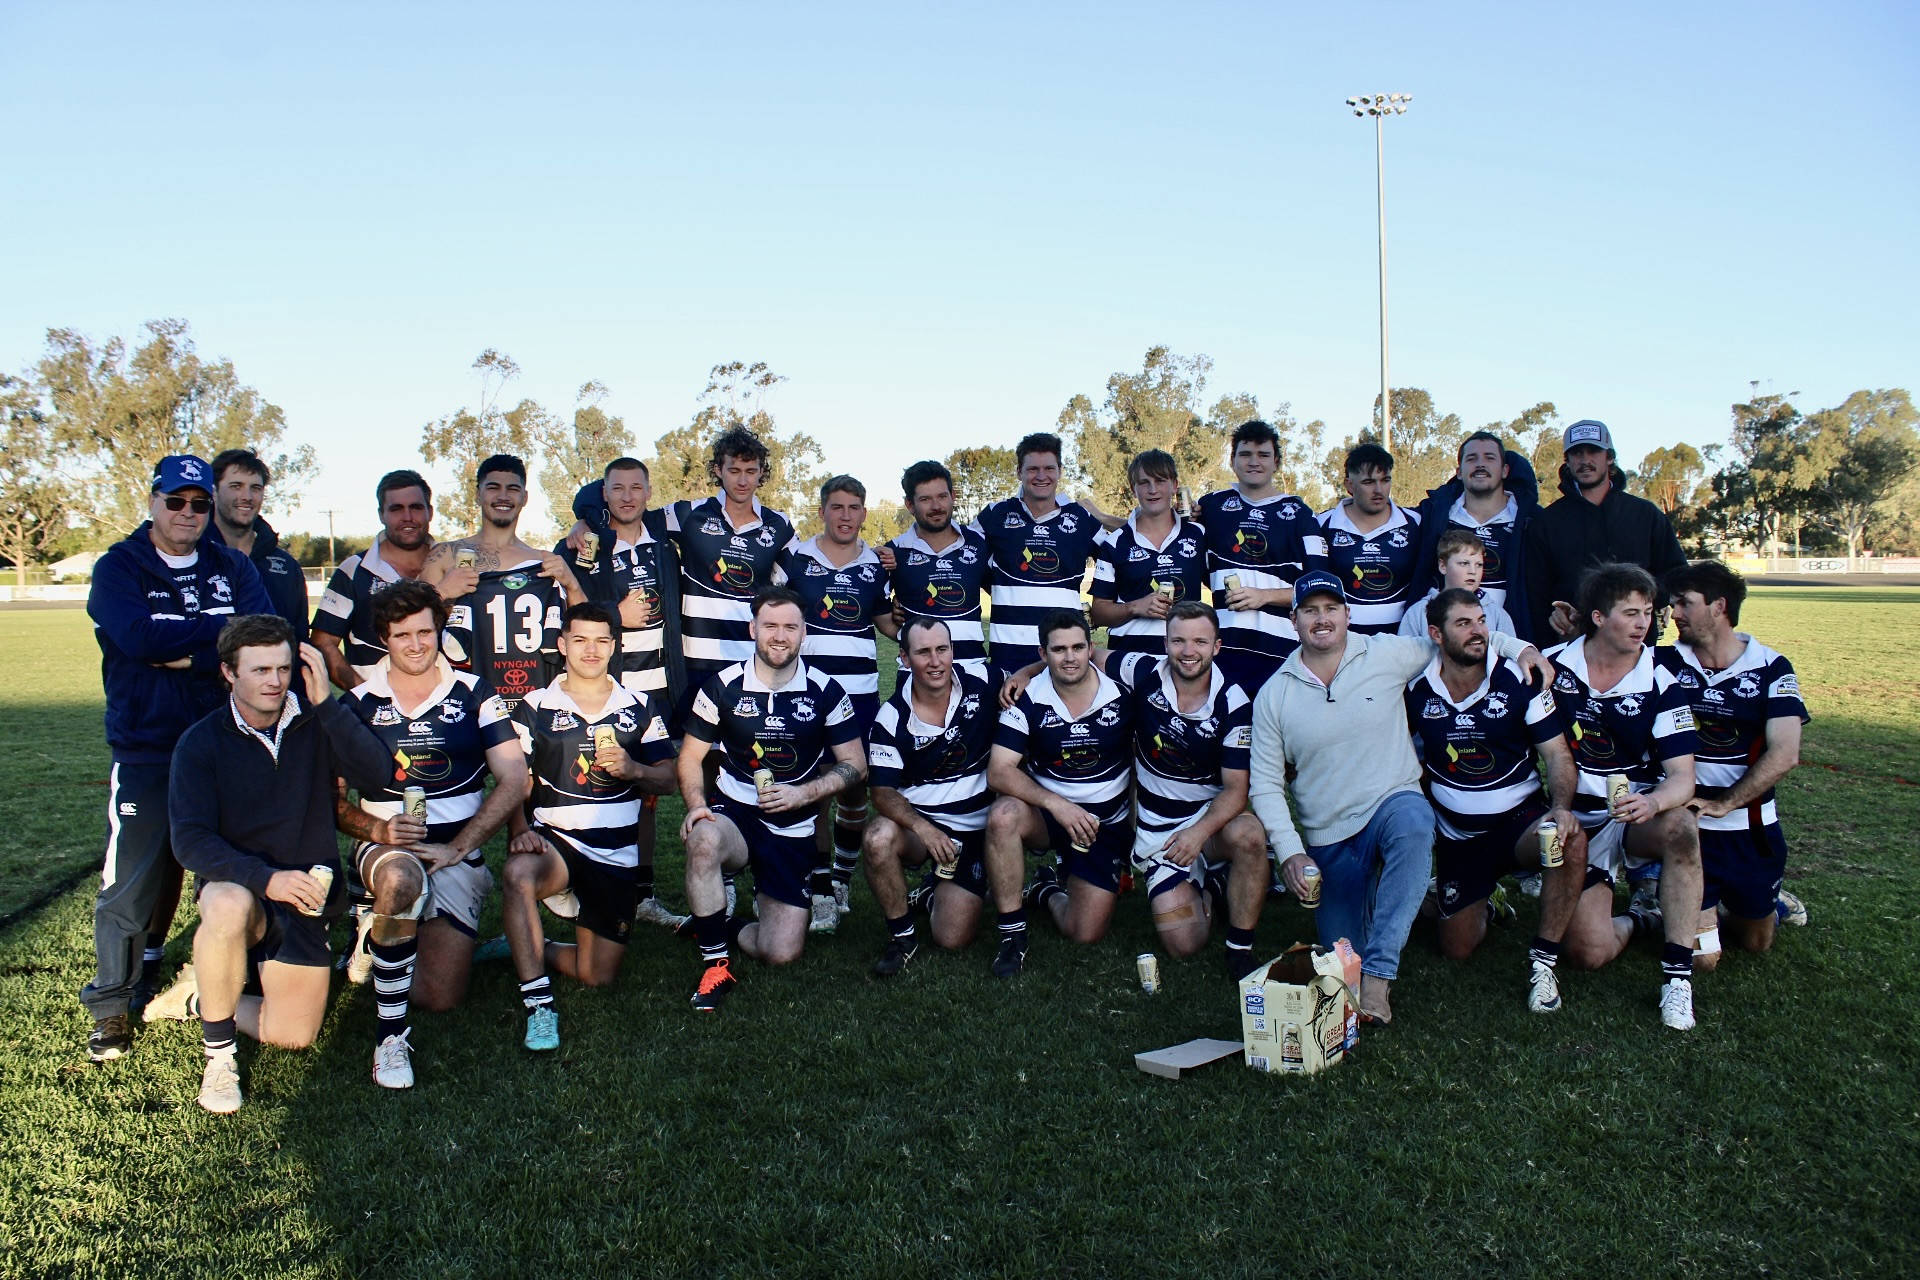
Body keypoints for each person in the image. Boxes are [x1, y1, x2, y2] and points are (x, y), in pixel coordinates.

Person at [1247, 570, 1553, 1026]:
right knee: (1341, 953)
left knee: (1414, 823)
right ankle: (1399, 910)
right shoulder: (1274, 695)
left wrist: (1520, 648)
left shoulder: (1385, 652)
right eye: (1310, 610)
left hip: (1393, 802)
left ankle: (1379, 976)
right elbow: (1266, 785)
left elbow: (1458, 638)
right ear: (1294, 621)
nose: (1322, 618)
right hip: (1331, 835)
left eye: (1332, 608)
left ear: (1348, 616)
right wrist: (1291, 853)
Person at [142, 615, 391, 1113]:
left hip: (306, 897)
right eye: (259, 670)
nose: (274, 681)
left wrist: (325, 703)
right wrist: (266, 879)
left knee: (293, 1035)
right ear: (229, 673)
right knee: (228, 904)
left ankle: (200, 998)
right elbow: (189, 839)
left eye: (282, 668)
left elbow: (377, 772)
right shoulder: (201, 742)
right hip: (245, 889)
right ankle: (218, 1058)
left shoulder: (317, 722)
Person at [81, 454, 271, 1063]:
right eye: (176, 501)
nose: (188, 513)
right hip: (148, 746)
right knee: (134, 880)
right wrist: (214, 639)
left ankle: (239, 972)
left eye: (198, 503)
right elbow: (135, 639)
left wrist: (186, 653)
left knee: (237, 866)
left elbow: (261, 632)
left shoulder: (230, 564)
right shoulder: (121, 566)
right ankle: (113, 1003)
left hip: (225, 741)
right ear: (155, 502)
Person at [334, 579, 529, 1087]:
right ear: (384, 638)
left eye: (426, 631)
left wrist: (459, 846)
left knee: (439, 997)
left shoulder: (475, 692)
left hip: (450, 854)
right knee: (400, 878)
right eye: (403, 635)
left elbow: (514, 779)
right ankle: (389, 1037)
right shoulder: (354, 704)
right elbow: (329, 801)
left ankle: (379, 933)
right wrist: (377, 826)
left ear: (439, 630)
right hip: (384, 847)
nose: (417, 644)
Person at [495, 603, 678, 1051]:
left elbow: (670, 778)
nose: (591, 650)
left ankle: (518, 945)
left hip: (616, 853)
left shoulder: (639, 705)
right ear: (562, 645)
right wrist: (519, 828)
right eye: (580, 639)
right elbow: (514, 781)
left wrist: (635, 769)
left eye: (601, 640)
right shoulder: (533, 707)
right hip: (555, 842)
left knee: (597, 976)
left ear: (614, 647)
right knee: (518, 875)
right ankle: (538, 1004)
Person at [677, 588, 867, 1011]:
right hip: (736, 814)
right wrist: (695, 805)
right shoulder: (721, 687)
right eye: (770, 625)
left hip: (794, 825)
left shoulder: (825, 691)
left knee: (780, 953)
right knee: (704, 841)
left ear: (804, 633)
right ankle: (715, 964)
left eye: (790, 626)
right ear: (753, 629)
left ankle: (720, 923)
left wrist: (806, 792)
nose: (779, 636)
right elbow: (690, 756)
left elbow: (855, 763)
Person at [1406, 588, 1587, 1013]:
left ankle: (1543, 960)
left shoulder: (1520, 680)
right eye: (1463, 624)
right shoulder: (1414, 687)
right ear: (1436, 633)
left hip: (1518, 822)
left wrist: (1561, 807)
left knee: (1568, 839)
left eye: (1481, 621)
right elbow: (1406, 756)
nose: (1477, 632)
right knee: (1456, 950)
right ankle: (1484, 898)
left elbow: (1558, 754)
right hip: (1458, 837)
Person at [1546, 563, 1703, 1031]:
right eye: (1631, 613)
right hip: (1578, 824)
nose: (1645, 625)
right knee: (1587, 954)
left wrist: (1653, 803)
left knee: (1681, 826)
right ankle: (1642, 916)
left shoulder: (1661, 680)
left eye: (1649, 613)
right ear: (1597, 617)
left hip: (1635, 817)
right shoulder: (1552, 666)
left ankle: (1677, 979)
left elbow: (1683, 778)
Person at [576, 425, 798, 729]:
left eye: (751, 470)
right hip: (695, 661)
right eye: (734, 470)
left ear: (762, 472)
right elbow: (627, 503)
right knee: (697, 748)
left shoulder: (780, 525)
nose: (743, 480)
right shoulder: (687, 514)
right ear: (719, 470)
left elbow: (800, 580)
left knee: (745, 746)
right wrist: (583, 519)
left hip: (751, 659)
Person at [555, 456, 687, 930]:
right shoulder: (588, 542)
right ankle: (573, 881)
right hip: (604, 687)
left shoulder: (665, 541)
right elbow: (568, 605)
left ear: (649, 492)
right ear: (603, 494)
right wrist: (617, 613)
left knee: (646, 789)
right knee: (592, 783)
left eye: (637, 487)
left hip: (659, 692)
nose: (628, 496)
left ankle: (641, 893)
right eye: (618, 488)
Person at [1106, 603, 1269, 976]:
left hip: (1208, 824)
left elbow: (1235, 790)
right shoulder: (1144, 671)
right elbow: (1089, 655)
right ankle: (1213, 881)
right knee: (1184, 944)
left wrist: (1197, 835)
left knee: (1249, 834)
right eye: (1178, 640)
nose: (1188, 651)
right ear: (1165, 642)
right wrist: (1029, 671)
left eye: (1199, 641)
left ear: (1217, 646)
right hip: (1159, 831)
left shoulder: (1234, 702)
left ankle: (1239, 948)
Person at [1660, 560, 1810, 965]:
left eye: (1684, 604)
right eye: (1673, 605)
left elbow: (1785, 753)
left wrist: (1726, 803)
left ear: (1718, 607)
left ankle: (1771, 904)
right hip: (1690, 829)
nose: (1674, 614)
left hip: (1752, 830)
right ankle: (1681, 909)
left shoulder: (1771, 667)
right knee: (1703, 960)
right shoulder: (1662, 662)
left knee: (1756, 942)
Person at [984, 611, 1134, 976]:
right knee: (1003, 815)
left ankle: (1046, 891)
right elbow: (999, 771)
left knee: (1085, 933)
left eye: (1078, 647)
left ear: (1090, 649)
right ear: (1043, 653)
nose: (1069, 657)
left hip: (1103, 823)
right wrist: (1057, 805)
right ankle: (1012, 934)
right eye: (1059, 649)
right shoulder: (1027, 698)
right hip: (1049, 817)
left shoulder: (1124, 692)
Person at [781, 475, 897, 933]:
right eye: (836, 507)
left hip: (861, 694)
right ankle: (821, 886)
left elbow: (885, 620)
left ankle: (842, 880)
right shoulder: (796, 560)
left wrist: (915, 632)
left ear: (864, 513)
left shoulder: (877, 564)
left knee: (853, 788)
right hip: (806, 694)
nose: (845, 515)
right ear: (822, 512)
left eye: (853, 507)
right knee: (814, 794)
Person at [862, 618, 999, 975]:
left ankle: (934, 890)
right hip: (919, 827)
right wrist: (923, 828)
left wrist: (1020, 676)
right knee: (877, 838)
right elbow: (882, 792)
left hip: (972, 829)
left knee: (952, 938)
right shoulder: (890, 717)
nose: (936, 661)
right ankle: (903, 937)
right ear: (905, 659)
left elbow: (1036, 670)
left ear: (954, 650)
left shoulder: (982, 682)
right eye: (923, 652)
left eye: (943, 649)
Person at [421, 454, 584, 713]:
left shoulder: (542, 562)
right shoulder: (446, 556)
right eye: (493, 487)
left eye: (512, 489)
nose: (503, 496)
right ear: (477, 495)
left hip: (533, 701)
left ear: (525, 498)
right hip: (463, 701)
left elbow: (586, 629)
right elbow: (407, 622)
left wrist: (572, 585)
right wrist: (441, 592)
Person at [1523, 420, 1687, 644]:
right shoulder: (1546, 522)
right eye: (1576, 453)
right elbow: (1536, 593)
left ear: (1609, 457)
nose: (1585, 460)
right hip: (1571, 648)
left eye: (1593, 451)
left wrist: (1649, 601)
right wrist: (1554, 616)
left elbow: (1675, 573)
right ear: (1567, 462)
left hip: (1636, 649)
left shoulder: (1645, 515)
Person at [1195, 419, 1327, 691]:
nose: (1254, 461)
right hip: (1223, 652)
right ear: (1232, 460)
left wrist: (1263, 596)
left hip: (1283, 654)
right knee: (1232, 731)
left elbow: (1320, 589)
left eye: (1263, 455)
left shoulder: (1301, 515)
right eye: (1245, 454)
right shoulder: (1211, 507)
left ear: (1277, 462)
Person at [972, 432, 1109, 684]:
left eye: (1049, 468)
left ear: (1060, 471)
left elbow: (1122, 554)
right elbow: (959, 555)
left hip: (1063, 655)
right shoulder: (996, 515)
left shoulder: (1080, 518)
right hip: (1009, 654)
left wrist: (1105, 516)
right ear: (1019, 472)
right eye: (1033, 468)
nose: (1041, 476)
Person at [312, 469, 439, 689]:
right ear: (381, 514)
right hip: (374, 717)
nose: (407, 517)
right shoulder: (353, 570)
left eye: (416, 507)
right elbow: (323, 642)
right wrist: (364, 696)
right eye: (396, 509)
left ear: (430, 512)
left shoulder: (455, 567)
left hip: (447, 713)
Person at [1411, 430, 1541, 640]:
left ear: (1505, 470)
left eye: (1490, 458)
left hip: (1510, 635)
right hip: (1447, 639)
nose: (1480, 464)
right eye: (1472, 459)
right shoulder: (1433, 515)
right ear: (1459, 471)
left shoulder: (1531, 519)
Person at [879, 460, 994, 679]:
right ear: (910, 505)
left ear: (953, 496)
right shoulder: (895, 551)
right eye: (925, 499)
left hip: (973, 670)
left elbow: (1002, 591)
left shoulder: (979, 543)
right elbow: (874, 606)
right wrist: (906, 636)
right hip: (917, 675)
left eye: (942, 496)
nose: (936, 507)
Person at [1089, 449, 1209, 656]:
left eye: (1160, 480)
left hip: (1185, 658)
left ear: (1175, 486)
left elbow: (1217, 586)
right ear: (1133, 489)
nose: (1153, 489)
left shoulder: (1199, 533)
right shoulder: (1115, 543)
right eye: (1144, 483)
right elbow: (1098, 613)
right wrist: (1135, 607)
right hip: (1128, 659)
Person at [204, 448, 310, 643]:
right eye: (236, 486)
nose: (247, 496)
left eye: (256, 488)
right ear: (214, 491)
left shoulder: (286, 568)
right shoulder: (192, 557)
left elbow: (299, 640)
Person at [1318, 442, 1424, 635]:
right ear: (1350, 485)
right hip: (1344, 643)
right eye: (1368, 482)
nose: (1379, 489)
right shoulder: (1322, 524)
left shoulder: (1416, 522)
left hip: (1403, 643)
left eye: (1385, 480)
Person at [1399, 529, 1516, 638]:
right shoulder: (1418, 612)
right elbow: (1403, 655)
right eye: (1464, 563)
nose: (1473, 571)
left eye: (1479, 565)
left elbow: (1510, 655)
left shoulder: (1497, 614)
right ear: (1443, 566)